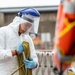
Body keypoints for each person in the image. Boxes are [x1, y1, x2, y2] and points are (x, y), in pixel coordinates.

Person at [0, 8, 40, 75]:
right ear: (19, 21)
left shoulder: (27, 38)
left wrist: (35, 64)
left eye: (30, 26)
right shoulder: (3, 32)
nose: (27, 28)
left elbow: (33, 56)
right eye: (26, 24)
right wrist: (15, 52)